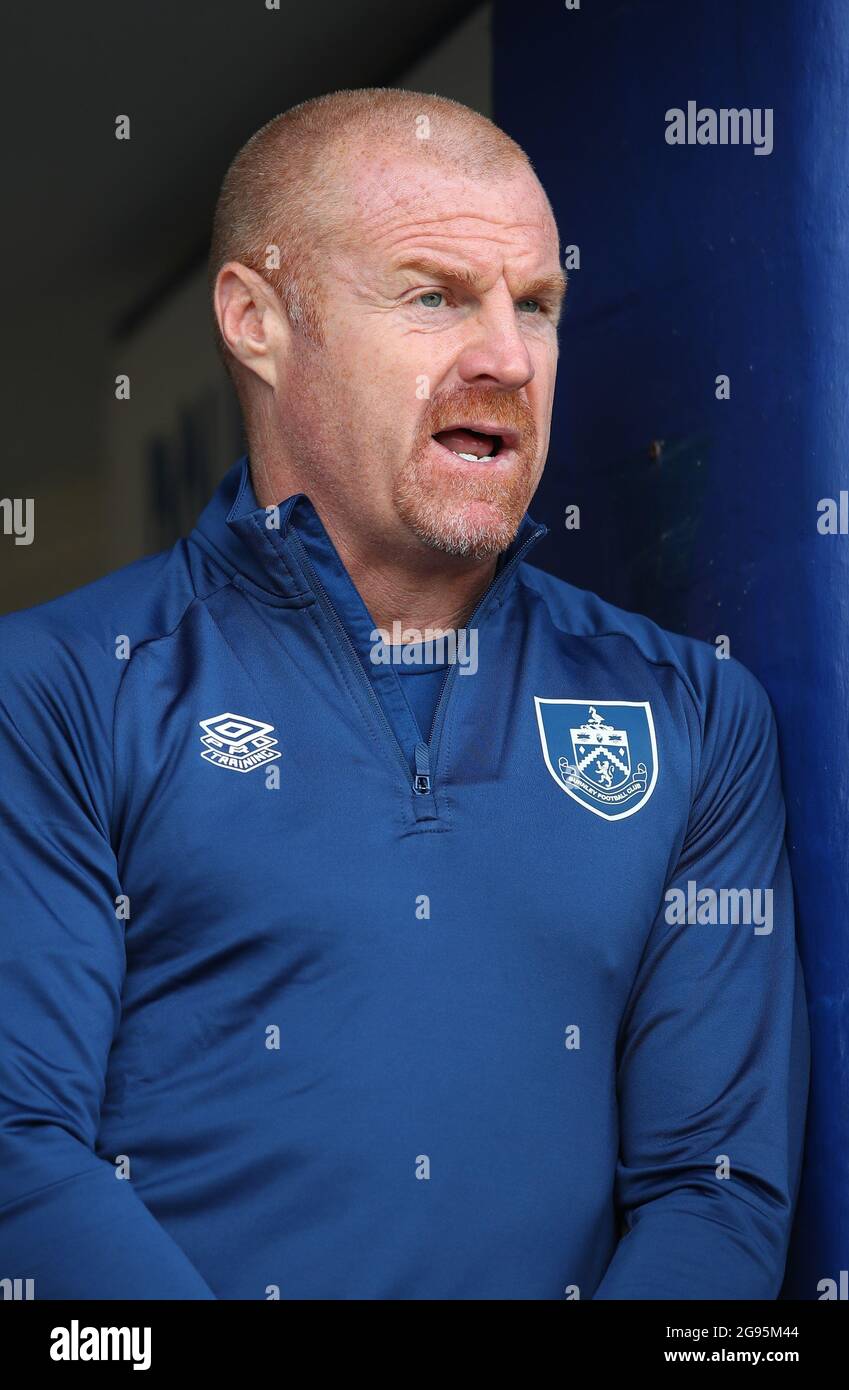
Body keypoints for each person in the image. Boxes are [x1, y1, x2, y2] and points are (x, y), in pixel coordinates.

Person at [0, 87, 809, 1300]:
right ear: (258, 320)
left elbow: (717, 1186)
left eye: (535, 306)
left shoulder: (693, 713)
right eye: (433, 295)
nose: (504, 357)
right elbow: (18, 1153)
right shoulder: (58, 686)